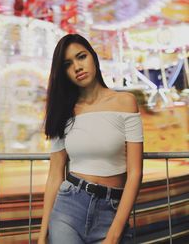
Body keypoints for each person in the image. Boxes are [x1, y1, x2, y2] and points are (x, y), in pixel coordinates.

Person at [38, 34, 143, 244]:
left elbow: (135, 173)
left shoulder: (125, 102)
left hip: (111, 211)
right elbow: (54, 176)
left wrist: (113, 235)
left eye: (81, 57)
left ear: (93, 57)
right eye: (68, 64)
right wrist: (42, 236)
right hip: (68, 210)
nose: (77, 67)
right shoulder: (63, 112)